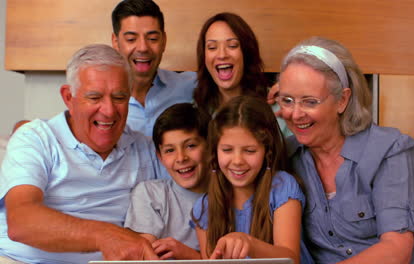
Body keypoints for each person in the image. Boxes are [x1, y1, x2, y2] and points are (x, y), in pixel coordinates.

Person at [277, 36, 414, 263]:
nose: (295, 114)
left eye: (309, 102)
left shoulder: (389, 150)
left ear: (342, 100)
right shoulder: (285, 157)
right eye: (287, 100)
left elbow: (397, 250)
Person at [0, 44, 166, 264]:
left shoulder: (146, 148)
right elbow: (22, 221)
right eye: (95, 97)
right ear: (69, 97)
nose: (108, 110)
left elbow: (195, 198)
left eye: (119, 97)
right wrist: (105, 236)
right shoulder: (35, 138)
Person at [191, 96, 313, 264]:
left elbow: (290, 258)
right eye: (227, 150)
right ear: (215, 152)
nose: (237, 161)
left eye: (249, 150)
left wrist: (249, 244)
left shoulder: (282, 187)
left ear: (267, 152)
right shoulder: (204, 207)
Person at [124, 103, 210, 260]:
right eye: (170, 150)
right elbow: (143, 258)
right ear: (160, 157)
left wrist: (189, 256)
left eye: (190, 146)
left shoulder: (233, 195)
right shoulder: (151, 195)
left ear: (210, 147)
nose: (181, 158)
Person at [192, 12, 291, 137]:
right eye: (212, 47)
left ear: (247, 52)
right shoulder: (198, 109)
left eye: (232, 46)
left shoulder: (276, 107)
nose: (222, 55)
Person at [111, 0, 197, 137]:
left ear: (164, 41)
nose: (143, 48)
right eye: (131, 39)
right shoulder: (103, 102)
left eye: (152, 38)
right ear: (115, 42)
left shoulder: (190, 86)